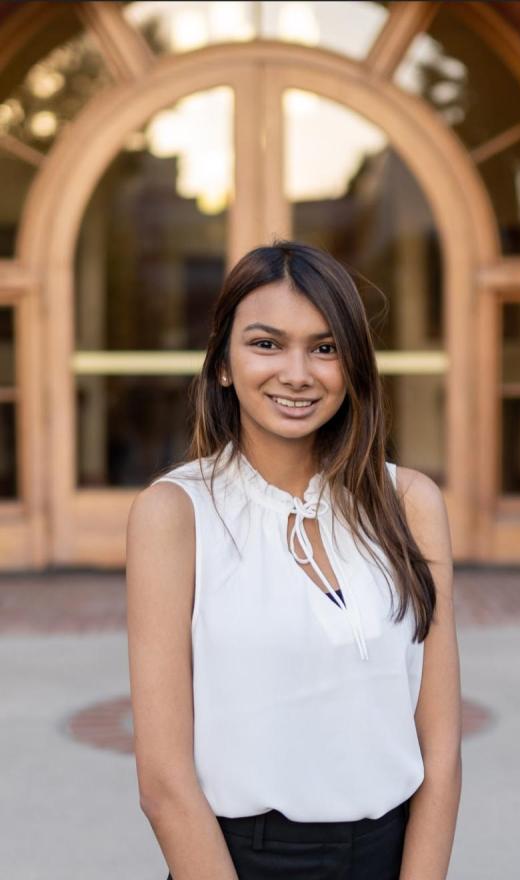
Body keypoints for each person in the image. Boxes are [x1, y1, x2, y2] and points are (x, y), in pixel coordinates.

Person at [126, 240, 462, 880]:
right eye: (266, 343)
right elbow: (164, 782)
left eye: (326, 347)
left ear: (353, 366)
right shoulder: (173, 514)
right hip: (234, 863)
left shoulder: (411, 502)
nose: (298, 372)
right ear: (223, 364)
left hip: (391, 858)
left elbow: (440, 751)